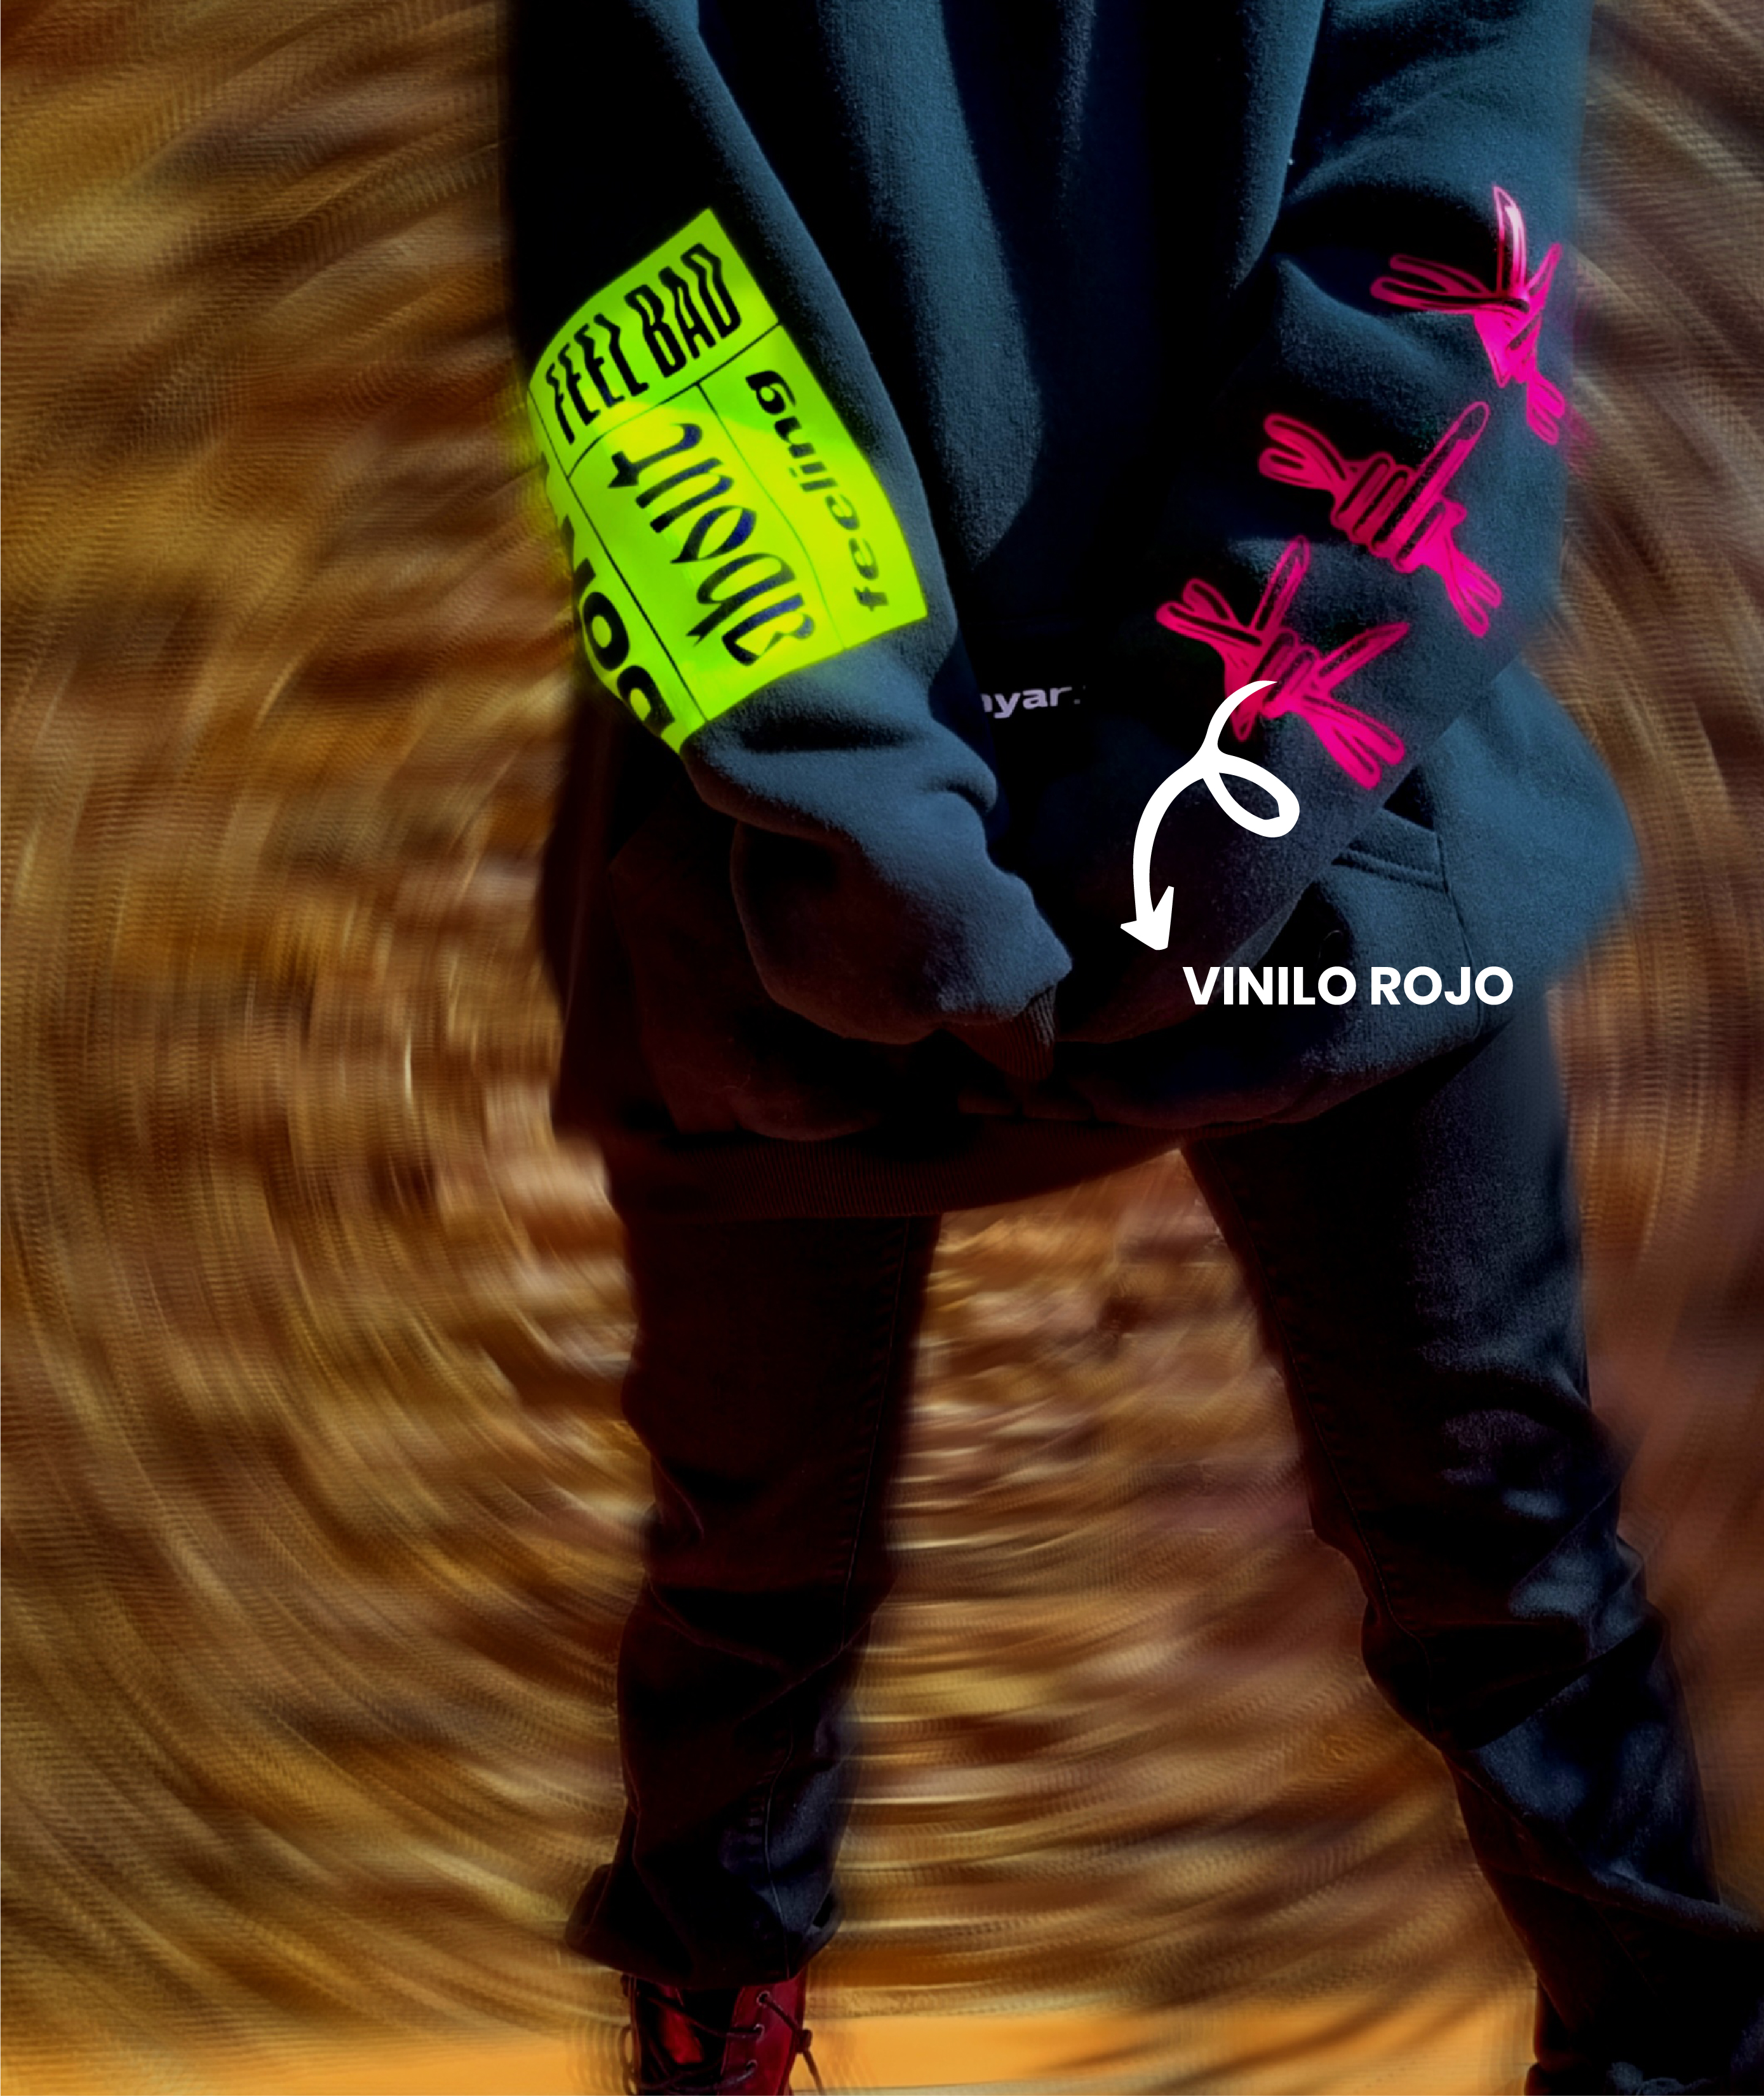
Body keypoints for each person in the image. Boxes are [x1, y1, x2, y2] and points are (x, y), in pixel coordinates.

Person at [502, 2, 1764, 2088]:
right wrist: (946, 846)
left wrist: (1035, 838)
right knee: (755, 1572)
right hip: (849, 858)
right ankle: (712, 2024)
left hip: (1129, 837)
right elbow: (646, 307)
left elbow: (1441, 268)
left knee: (1494, 1532)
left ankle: (1671, 2051)